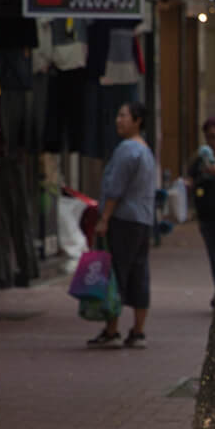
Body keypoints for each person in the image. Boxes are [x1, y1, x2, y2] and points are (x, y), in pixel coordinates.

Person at [91, 101, 157, 349]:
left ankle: (112, 330)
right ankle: (138, 331)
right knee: (139, 273)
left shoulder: (127, 150)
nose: (119, 120)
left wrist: (104, 218)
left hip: (123, 219)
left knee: (116, 274)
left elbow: (115, 189)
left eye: (123, 116)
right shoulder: (145, 151)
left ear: (137, 120)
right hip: (142, 220)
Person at [189, 116, 215, 294]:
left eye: (214, 137)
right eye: (208, 138)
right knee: (214, 257)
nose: (211, 142)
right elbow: (191, 179)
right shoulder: (202, 159)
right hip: (207, 216)